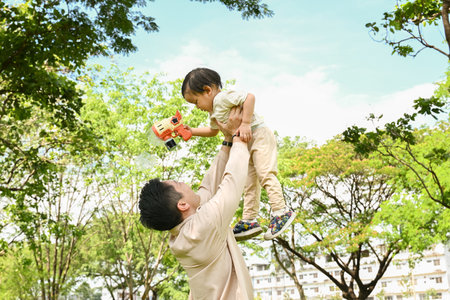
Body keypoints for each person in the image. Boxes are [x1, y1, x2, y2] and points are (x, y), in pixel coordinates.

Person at [139, 107, 254, 299]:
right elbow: (232, 181)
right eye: (178, 183)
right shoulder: (202, 227)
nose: (185, 183)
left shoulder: (181, 235)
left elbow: (208, 188)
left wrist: (227, 142)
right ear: (182, 205)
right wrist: (238, 135)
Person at [181, 67, 296, 241]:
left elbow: (249, 97)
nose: (197, 107)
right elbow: (213, 131)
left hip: (258, 134)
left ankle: (281, 211)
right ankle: (250, 220)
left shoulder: (221, 98)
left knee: (265, 173)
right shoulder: (214, 112)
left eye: (196, 102)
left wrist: (246, 123)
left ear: (207, 90)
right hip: (245, 142)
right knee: (250, 183)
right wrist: (192, 131)